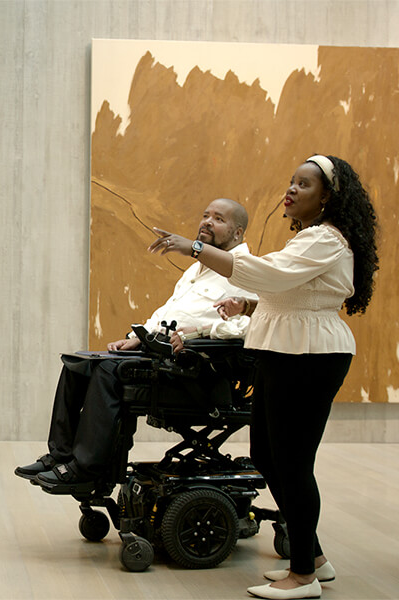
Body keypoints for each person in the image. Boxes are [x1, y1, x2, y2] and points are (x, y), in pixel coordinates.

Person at [148, 155, 379, 600]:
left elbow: (268, 275)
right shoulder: (310, 239)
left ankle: (303, 578)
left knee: (292, 462)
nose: (291, 190)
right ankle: (313, 558)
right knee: (266, 454)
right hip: (285, 349)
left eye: (305, 185)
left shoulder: (327, 239)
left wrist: (192, 247)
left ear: (327, 197)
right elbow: (289, 291)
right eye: (291, 182)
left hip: (311, 355)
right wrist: (249, 307)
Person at [15, 198, 257, 489]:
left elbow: (248, 326)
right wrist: (134, 338)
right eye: (205, 215)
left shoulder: (245, 270)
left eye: (218, 219)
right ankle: (60, 454)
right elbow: (167, 314)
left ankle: (84, 468)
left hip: (197, 372)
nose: (206, 221)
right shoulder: (197, 270)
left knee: (107, 372)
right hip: (163, 356)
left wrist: (200, 332)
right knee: (80, 363)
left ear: (238, 233)